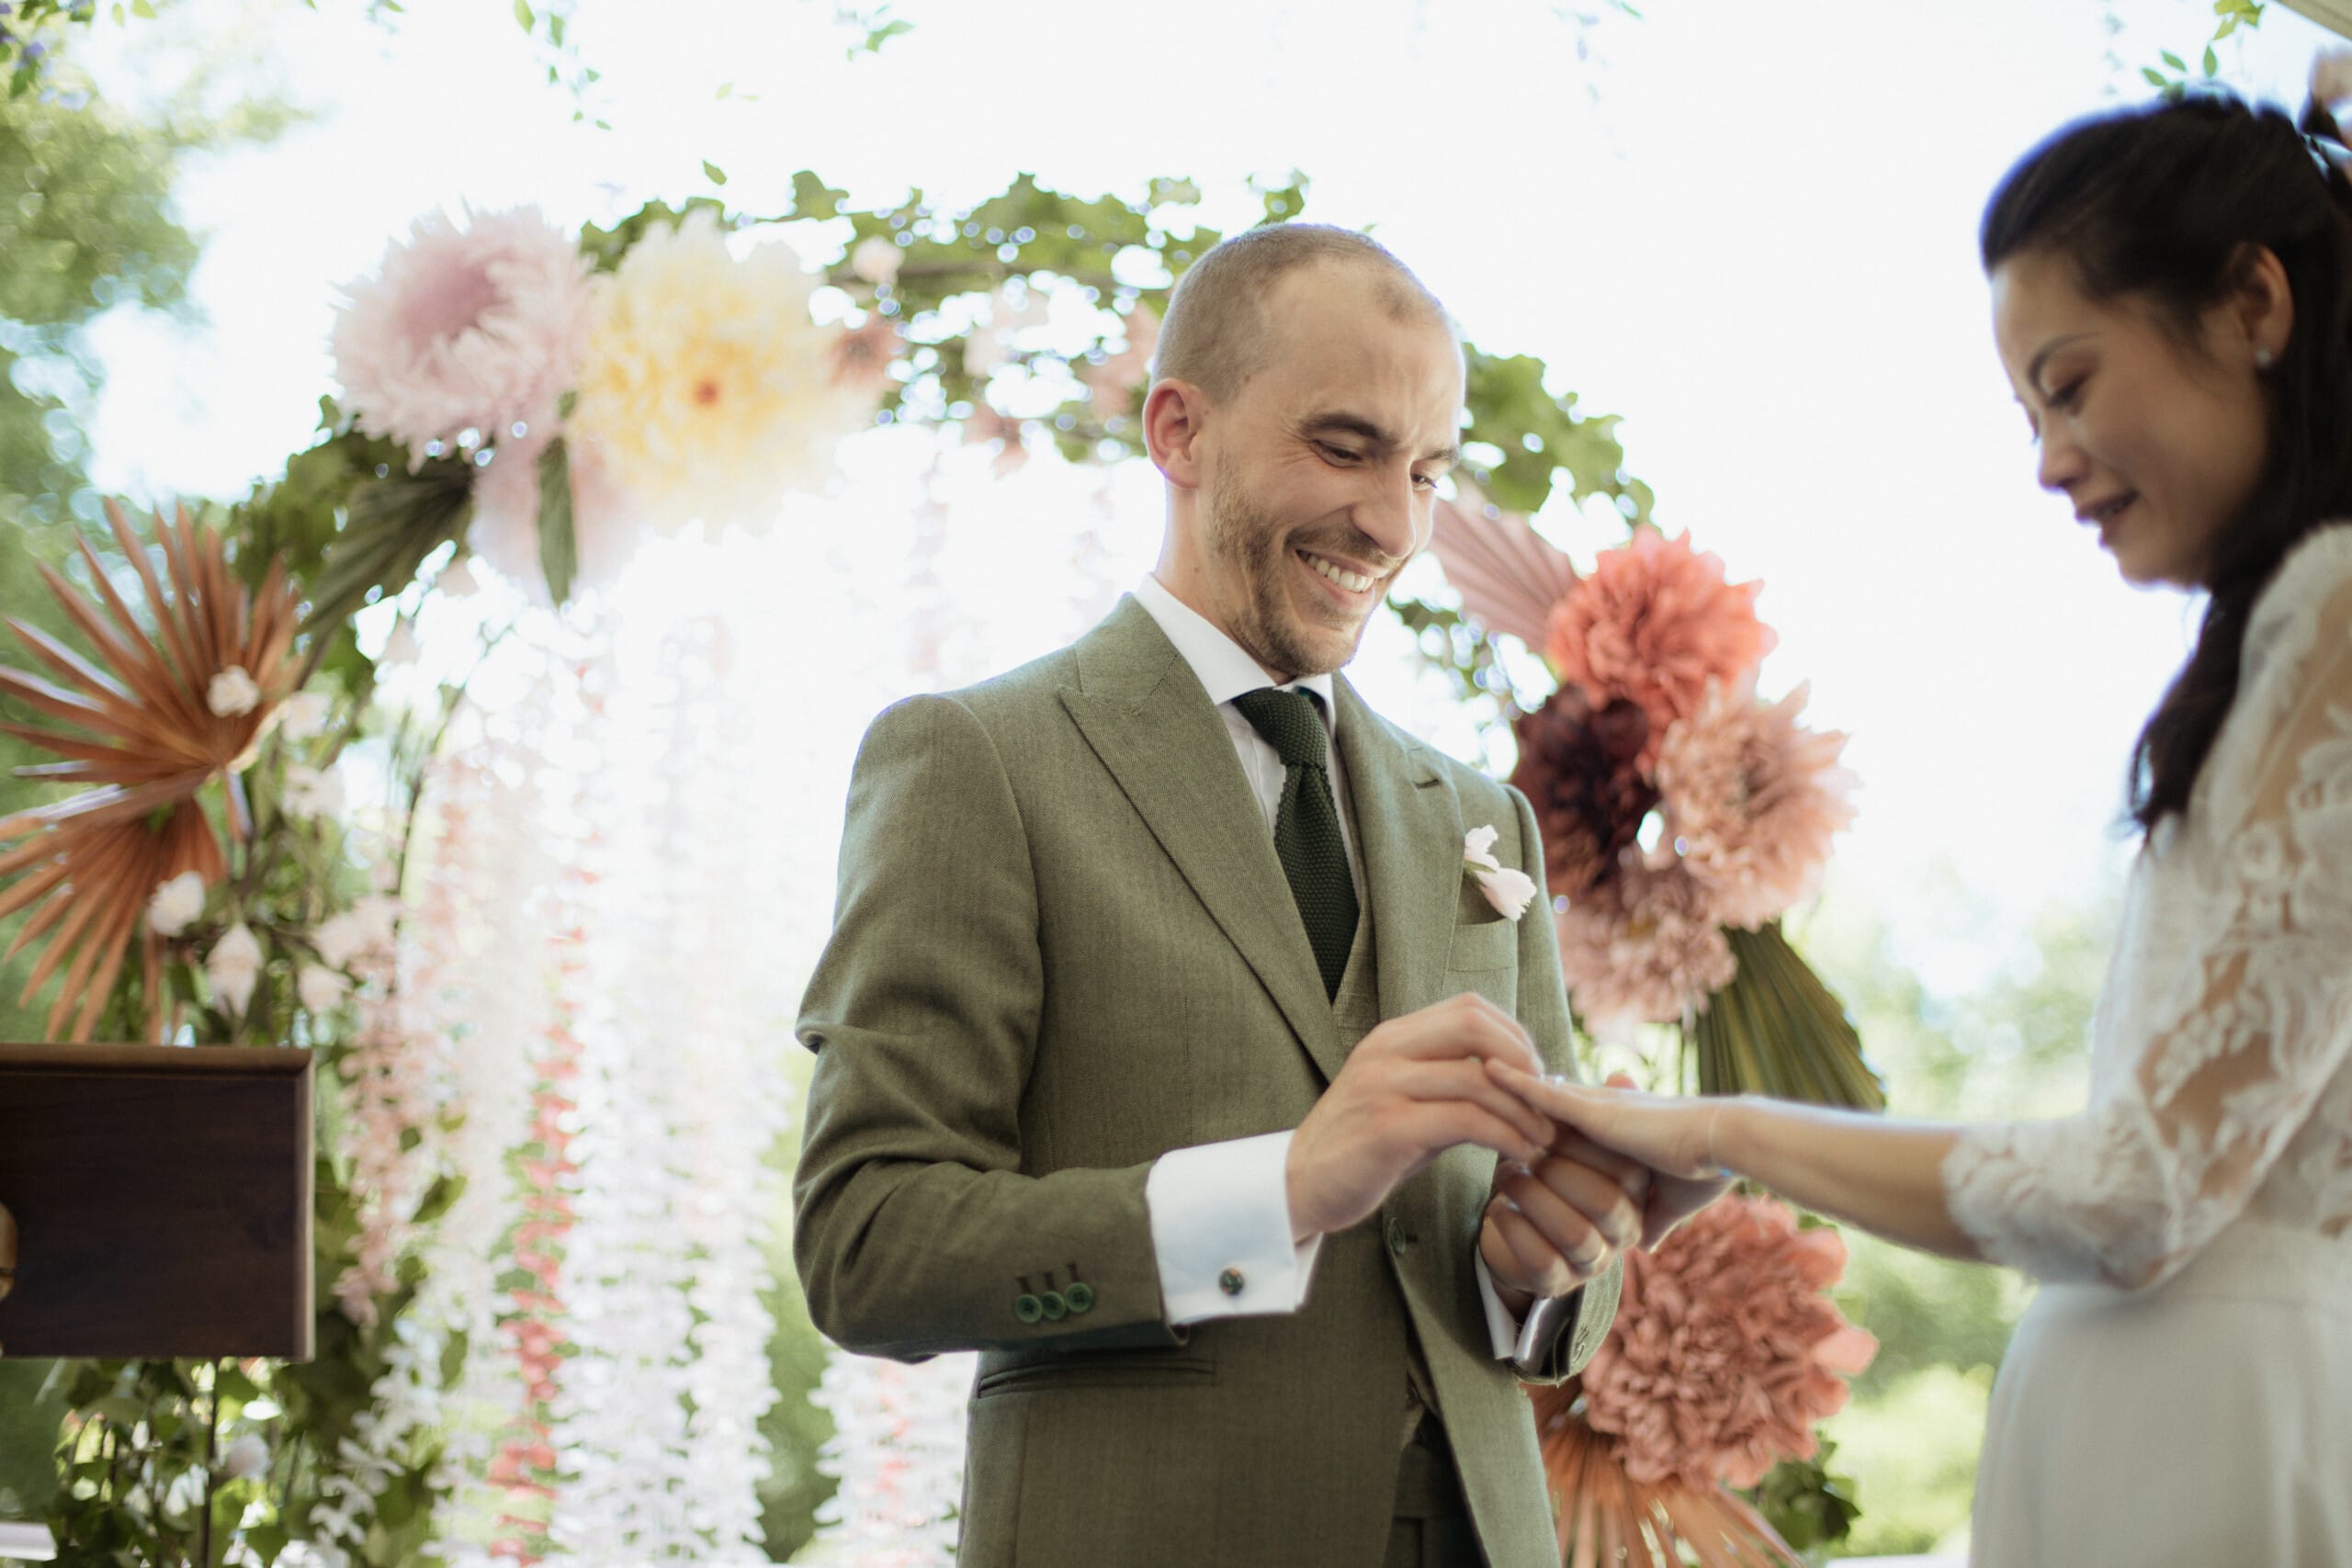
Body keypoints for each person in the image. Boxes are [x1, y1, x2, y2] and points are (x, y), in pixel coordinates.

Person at [1492, 84, 2352, 1565]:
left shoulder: (2333, 609)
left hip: (2211, 1441)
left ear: (2253, 304)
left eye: (2070, 386)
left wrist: (1715, 1126)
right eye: (2029, 415)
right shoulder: (2288, 627)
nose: (2049, 461)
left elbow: (2141, 1192)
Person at [792, 225, 1688, 1567]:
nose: (1394, 525)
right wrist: (1280, 1189)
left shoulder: (1481, 820)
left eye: (1427, 472)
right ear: (1179, 430)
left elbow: (1543, 1302)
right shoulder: (978, 761)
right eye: (1344, 448)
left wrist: (1547, 1266)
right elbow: (868, 1247)